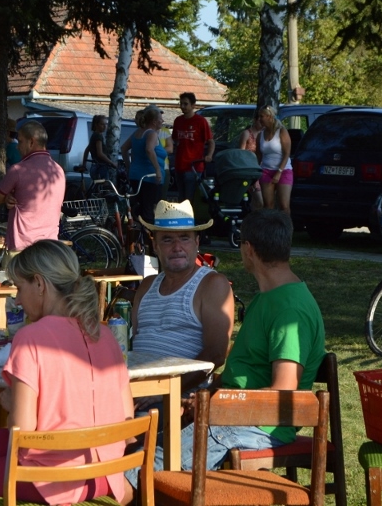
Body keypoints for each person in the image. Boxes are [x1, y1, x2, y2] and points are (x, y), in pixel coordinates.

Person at [129, 208, 325, 483]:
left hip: (257, 426)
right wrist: (203, 397)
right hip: (232, 416)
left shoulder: (289, 310)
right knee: (142, 453)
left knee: (147, 467)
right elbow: (242, 373)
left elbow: (282, 392)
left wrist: (214, 404)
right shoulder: (269, 298)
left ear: (248, 249)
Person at [0, 240, 134, 506]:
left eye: (19, 288)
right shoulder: (105, 335)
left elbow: (21, 432)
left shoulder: (31, 338)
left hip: (54, 482)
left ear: (39, 284)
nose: (17, 299)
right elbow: (127, 420)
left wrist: (13, 404)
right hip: (108, 476)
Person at [130, 199, 234, 397]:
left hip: (181, 398)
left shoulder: (212, 284)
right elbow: (135, 341)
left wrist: (164, 392)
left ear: (196, 243)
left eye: (184, 238)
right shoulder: (147, 286)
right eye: (167, 240)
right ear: (155, 245)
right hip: (135, 390)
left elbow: (216, 354)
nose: (177, 247)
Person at [0, 121, 66, 254]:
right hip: (49, 247)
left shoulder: (18, 170)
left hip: (22, 248)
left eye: (20, 141)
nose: (17, 146)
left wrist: (6, 197)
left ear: (31, 142)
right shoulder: (58, 171)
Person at [124, 107, 167, 224]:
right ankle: (149, 232)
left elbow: (124, 148)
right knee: (149, 208)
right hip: (149, 177)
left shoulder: (137, 133)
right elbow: (149, 150)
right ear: (154, 121)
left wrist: (129, 167)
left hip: (135, 175)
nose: (162, 121)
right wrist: (157, 170)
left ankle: (140, 230)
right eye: (160, 119)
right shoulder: (151, 134)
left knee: (141, 206)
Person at [172, 92, 215, 203]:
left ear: (193, 105)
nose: (182, 106)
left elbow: (210, 141)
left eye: (185, 104)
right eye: (181, 103)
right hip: (179, 165)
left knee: (189, 198)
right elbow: (175, 140)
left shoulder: (200, 121)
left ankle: (189, 214)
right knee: (181, 197)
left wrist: (209, 155)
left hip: (193, 166)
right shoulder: (178, 121)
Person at [256, 105, 293, 213]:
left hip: (283, 170)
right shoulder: (260, 135)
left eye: (261, 116)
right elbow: (259, 155)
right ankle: (269, 224)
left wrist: (279, 172)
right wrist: (256, 172)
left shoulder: (282, 132)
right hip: (266, 171)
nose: (259, 119)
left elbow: (287, 153)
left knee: (284, 206)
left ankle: (286, 223)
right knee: (268, 205)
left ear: (269, 117)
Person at [79, 114, 117, 184]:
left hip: (95, 166)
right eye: (102, 124)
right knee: (105, 186)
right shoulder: (98, 137)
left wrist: (84, 164)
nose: (105, 126)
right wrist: (112, 163)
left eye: (106, 124)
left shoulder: (94, 135)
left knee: (97, 187)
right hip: (100, 167)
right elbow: (100, 154)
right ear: (96, 125)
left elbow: (87, 150)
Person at [239, 117, 265, 210]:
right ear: (255, 120)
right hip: (251, 170)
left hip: (263, 169)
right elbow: (241, 154)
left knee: (259, 202)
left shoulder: (264, 134)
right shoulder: (247, 134)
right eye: (260, 120)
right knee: (260, 200)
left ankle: (254, 215)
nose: (262, 123)